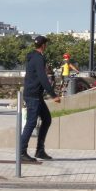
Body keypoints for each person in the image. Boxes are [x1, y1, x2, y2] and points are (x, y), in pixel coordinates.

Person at [19, 35, 61, 163]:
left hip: (35, 94)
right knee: (31, 123)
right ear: (43, 45)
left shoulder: (33, 56)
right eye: (46, 44)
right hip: (33, 95)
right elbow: (43, 78)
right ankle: (21, 152)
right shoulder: (39, 58)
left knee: (47, 119)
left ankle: (40, 150)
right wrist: (53, 95)